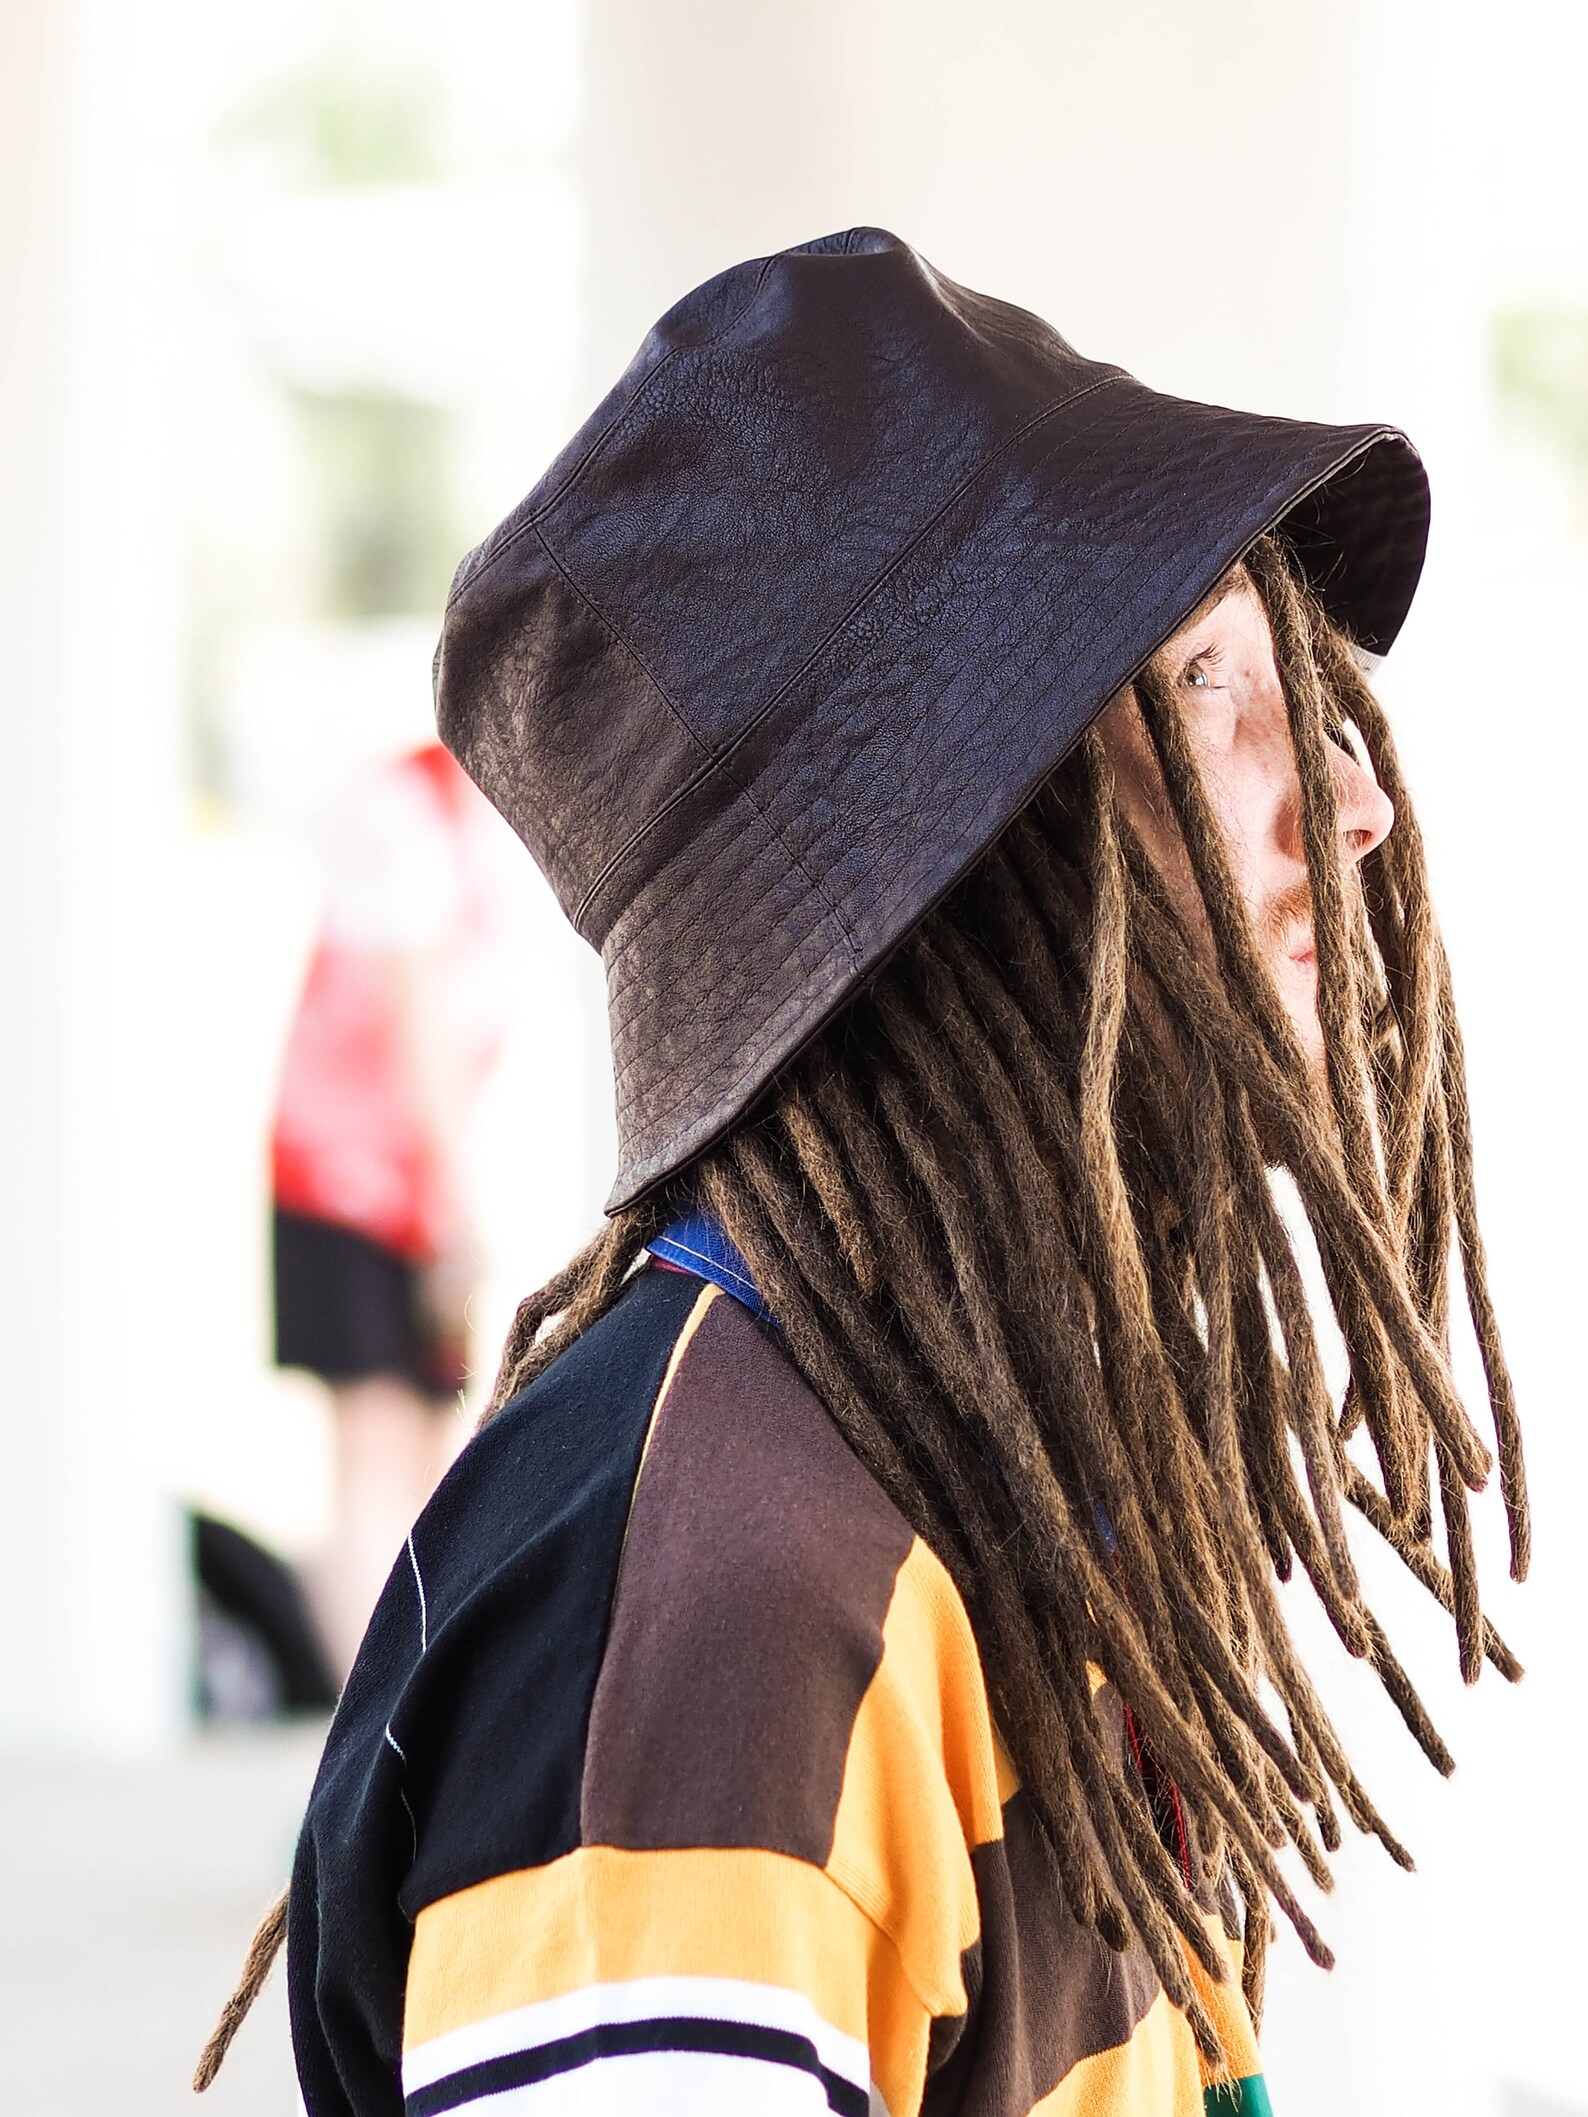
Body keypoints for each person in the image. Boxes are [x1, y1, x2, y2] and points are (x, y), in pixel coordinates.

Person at [198, 229, 1529, 2114]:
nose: (1347, 789)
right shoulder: (734, 1613)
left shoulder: (992, 1472)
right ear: (952, 855)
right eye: (1207, 682)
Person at [269, 739, 519, 1680]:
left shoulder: (480, 822)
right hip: (345, 1185)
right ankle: (360, 1737)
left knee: (428, 1452)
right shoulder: (410, 809)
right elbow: (415, 1024)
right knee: (373, 1457)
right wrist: (458, 1206)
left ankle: (401, 1721)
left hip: (413, 1191)